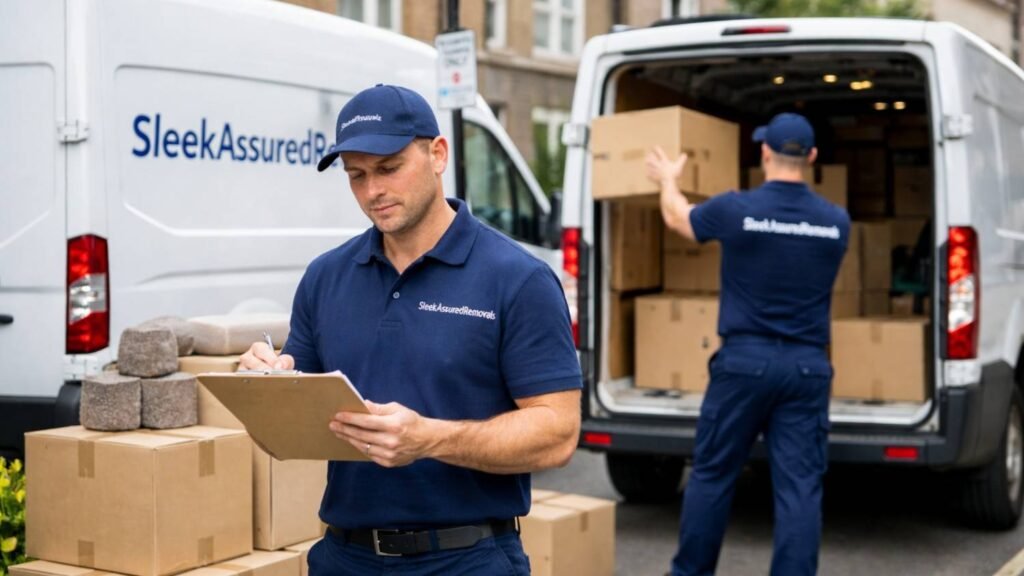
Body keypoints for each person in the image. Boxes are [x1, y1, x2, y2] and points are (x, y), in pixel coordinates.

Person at [238, 84, 582, 575]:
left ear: (437, 154)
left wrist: (430, 439)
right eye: (356, 175)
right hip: (344, 556)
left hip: (467, 558)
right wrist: (265, 383)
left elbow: (558, 434)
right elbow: (293, 428)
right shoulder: (325, 277)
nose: (372, 191)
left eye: (388, 168)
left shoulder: (517, 279)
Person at [646, 112, 850, 576]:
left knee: (713, 475)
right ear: (812, 157)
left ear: (763, 153)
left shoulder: (737, 209)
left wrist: (668, 180)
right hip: (806, 368)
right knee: (799, 487)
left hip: (744, 363)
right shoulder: (836, 223)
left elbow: (678, 218)